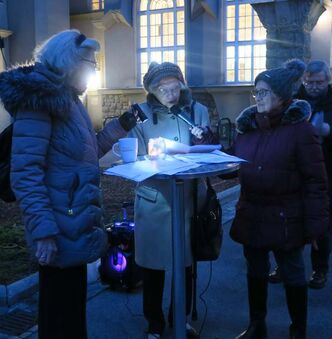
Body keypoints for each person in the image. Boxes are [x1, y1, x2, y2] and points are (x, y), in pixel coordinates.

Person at [0, 30, 138, 339]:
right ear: (69, 62)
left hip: (74, 223)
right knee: (60, 317)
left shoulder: (70, 102)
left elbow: (85, 153)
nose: (95, 69)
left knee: (71, 312)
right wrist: (44, 231)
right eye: (91, 62)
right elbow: (25, 173)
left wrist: (121, 126)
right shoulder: (40, 103)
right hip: (58, 229)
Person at [228, 60, 329, 339]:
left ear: (282, 96)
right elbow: (232, 164)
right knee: (256, 272)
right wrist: (206, 148)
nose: (257, 98)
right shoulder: (248, 130)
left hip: (286, 216)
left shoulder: (301, 131)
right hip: (252, 213)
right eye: (256, 92)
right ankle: (257, 325)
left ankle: (298, 331)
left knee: (293, 275)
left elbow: (315, 181)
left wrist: (316, 226)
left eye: (263, 92)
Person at [128, 61, 213, 339]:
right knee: (153, 266)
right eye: (163, 89)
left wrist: (202, 143)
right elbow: (132, 155)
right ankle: (153, 322)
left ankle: (182, 319)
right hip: (155, 199)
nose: (170, 94)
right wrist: (151, 157)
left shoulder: (196, 110)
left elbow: (207, 152)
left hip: (187, 198)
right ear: (152, 90)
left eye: (175, 87)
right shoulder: (139, 114)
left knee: (185, 265)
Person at [269, 60, 332, 289]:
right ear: (303, 80)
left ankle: (319, 270)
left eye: (319, 82)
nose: (314, 86)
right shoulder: (291, 102)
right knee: (287, 224)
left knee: (322, 227)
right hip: (291, 176)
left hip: (324, 177)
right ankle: (285, 264)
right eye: (309, 81)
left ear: (328, 81)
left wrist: (330, 131)